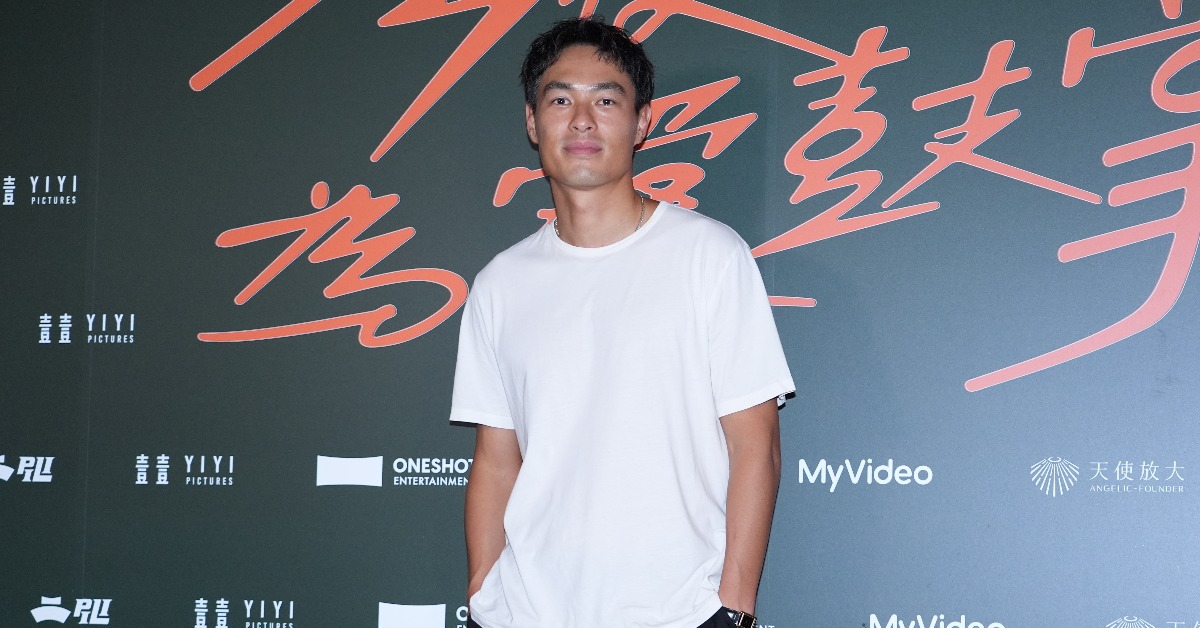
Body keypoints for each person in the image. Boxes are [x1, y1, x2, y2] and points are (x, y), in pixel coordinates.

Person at [450, 15, 794, 628]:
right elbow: (496, 461)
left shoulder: (709, 255)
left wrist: (734, 608)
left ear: (641, 122)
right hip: (525, 614)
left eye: (606, 100)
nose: (582, 119)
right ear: (532, 121)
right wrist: (483, 596)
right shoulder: (500, 283)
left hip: (680, 613)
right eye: (561, 99)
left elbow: (755, 445)